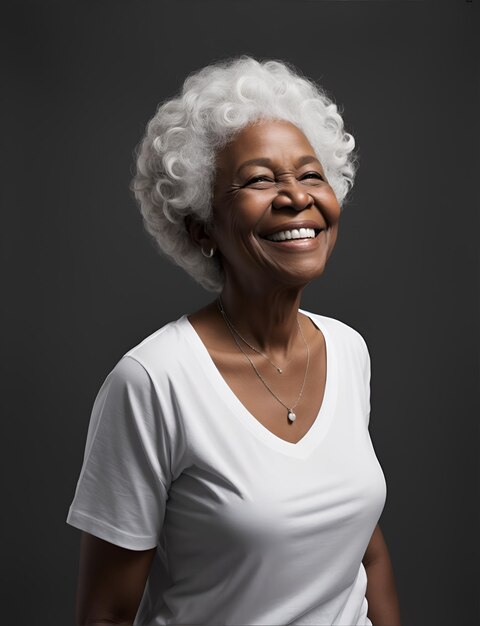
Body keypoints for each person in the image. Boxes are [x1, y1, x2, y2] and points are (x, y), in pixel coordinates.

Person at [66, 56, 402, 626]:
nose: (296, 197)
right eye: (260, 179)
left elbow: (363, 550)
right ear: (202, 228)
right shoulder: (154, 382)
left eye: (310, 173)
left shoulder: (348, 351)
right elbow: (106, 614)